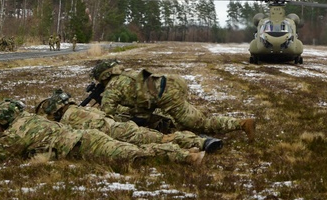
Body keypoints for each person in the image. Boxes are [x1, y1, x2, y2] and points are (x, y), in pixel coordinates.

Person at [0, 99, 205, 166]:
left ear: (2, 121)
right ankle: (186, 149)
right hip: (87, 138)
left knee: (136, 156)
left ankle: (186, 156)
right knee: (134, 149)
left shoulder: (14, 134)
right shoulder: (31, 118)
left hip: (83, 146)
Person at [89, 59, 256, 141]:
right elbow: (141, 100)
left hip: (166, 95)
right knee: (179, 122)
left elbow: (107, 117)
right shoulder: (127, 76)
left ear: (104, 77)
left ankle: (241, 124)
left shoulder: (112, 87)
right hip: (169, 85)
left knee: (199, 124)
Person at [34, 89, 223, 154]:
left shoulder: (66, 120)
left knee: (156, 142)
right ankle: (198, 142)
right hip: (120, 127)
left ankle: (196, 144)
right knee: (157, 137)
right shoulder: (81, 109)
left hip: (115, 134)